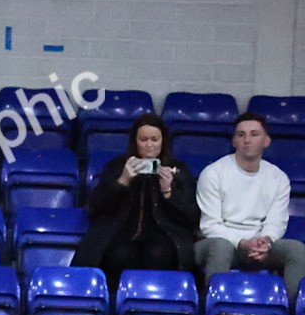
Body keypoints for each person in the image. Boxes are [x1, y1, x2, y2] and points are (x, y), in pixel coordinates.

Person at [72, 113, 200, 290]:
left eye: (154, 139)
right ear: (135, 141)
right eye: (144, 139)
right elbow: (96, 208)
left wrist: (168, 191)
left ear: (163, 141)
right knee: (121, 255)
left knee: (158, 255)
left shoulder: (178, 170)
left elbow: (192, 217)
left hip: (164, 233)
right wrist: (122, 181)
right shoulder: (117, 166)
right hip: (121, 231)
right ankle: (117, 309)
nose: (149, 145)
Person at [195, 111, 305, 300]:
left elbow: (276, 221)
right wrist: (243, 242)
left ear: (266, 141)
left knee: (296, 249)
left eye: (254, 134)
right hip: (218, 243)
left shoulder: (278, 178)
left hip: (258, 246)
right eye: (241, 135)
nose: (247, 140)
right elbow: (210, 225)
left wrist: (266, 242)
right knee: (221, 247)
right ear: (234, 142)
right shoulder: (213, 173)